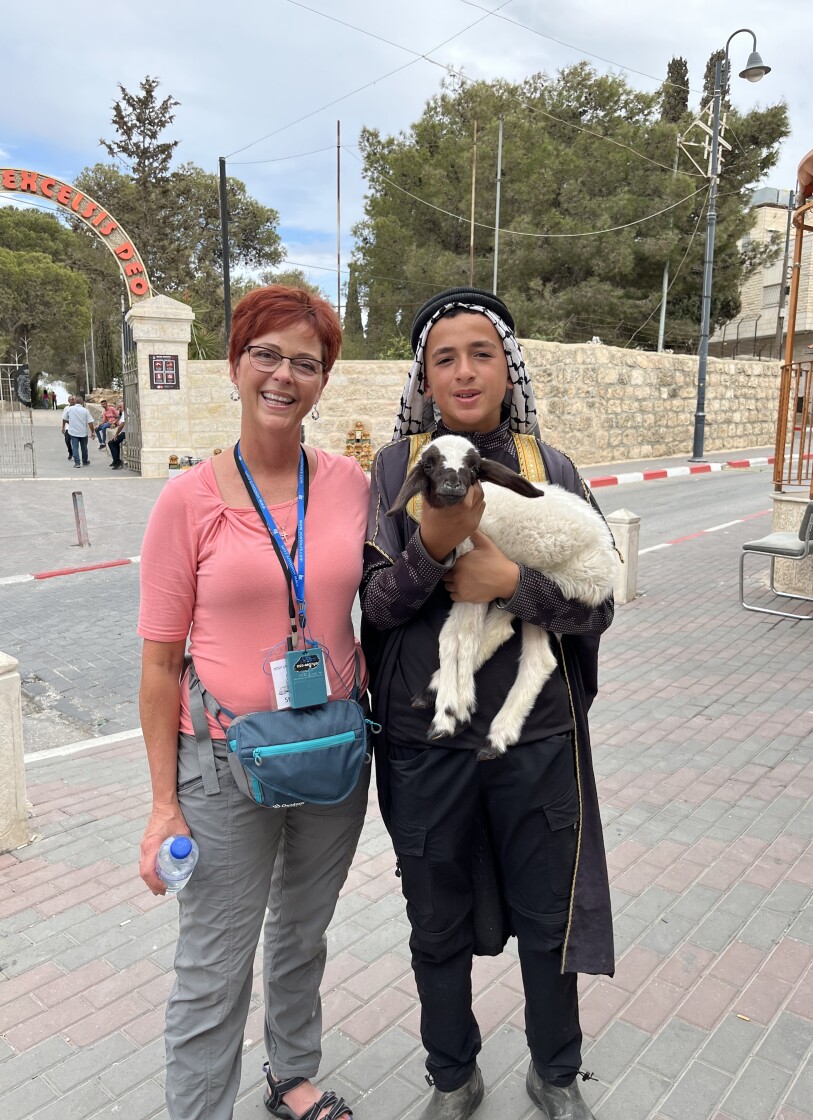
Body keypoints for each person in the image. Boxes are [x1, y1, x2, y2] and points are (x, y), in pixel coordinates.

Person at [361, 288, 614, 1120]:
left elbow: (599, 604)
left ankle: (557, 1072)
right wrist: (432, 554)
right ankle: (451, 1074)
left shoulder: (552, 471)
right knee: (433, 920)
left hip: (536, 739)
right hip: (424, 743)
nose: (465, 372)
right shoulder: (396, 473)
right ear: (425, 381)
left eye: (482, 353)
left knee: (550, 917)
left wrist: (518, 585)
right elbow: (378, 608)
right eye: (445, 358)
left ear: (508, 367)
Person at [137, 285, 370, 1120]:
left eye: (305, 362)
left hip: (335, 753)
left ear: (323, 380)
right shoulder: (187, 501)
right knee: (215, 962)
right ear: (236, 366)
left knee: (302, 933)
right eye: (266, 354)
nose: (283, 375)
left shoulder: (350, 485)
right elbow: (160, 666)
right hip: (222, 766)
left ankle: (292, 1074)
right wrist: (164, 805)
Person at [64, 393, 96, 468]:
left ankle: (77, 463)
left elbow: (65, 419)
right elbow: (90, 423)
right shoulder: (85, 411)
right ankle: (85, 461)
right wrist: (92, 432)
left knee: (75, 447)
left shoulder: (69, 409)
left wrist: (70, 424)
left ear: (75, 401)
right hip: (83, 432)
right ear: (82, 402)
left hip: (73, 432)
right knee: (84, 447)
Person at [108, 401, 126, 469]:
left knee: (111, 443)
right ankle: (116, 461)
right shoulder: (124, 413)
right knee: (115, 443)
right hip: (124, 432)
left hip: (126, 433)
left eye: (120, 407)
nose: (120, 409)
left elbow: (121, 425)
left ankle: (117, 461)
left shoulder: (125, 413)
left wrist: (116, 434)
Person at [61, 395, 76, 460]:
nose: (72, 401)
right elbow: (64, 418)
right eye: (71, 400)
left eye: (73, 399)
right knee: (67, 441)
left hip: (76, 428)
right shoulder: (66, 408)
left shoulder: (77, 407)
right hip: (68, 427)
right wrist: (63, 427)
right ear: (68, 401)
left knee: (75, 442)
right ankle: (70, 452)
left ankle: (75, 454)